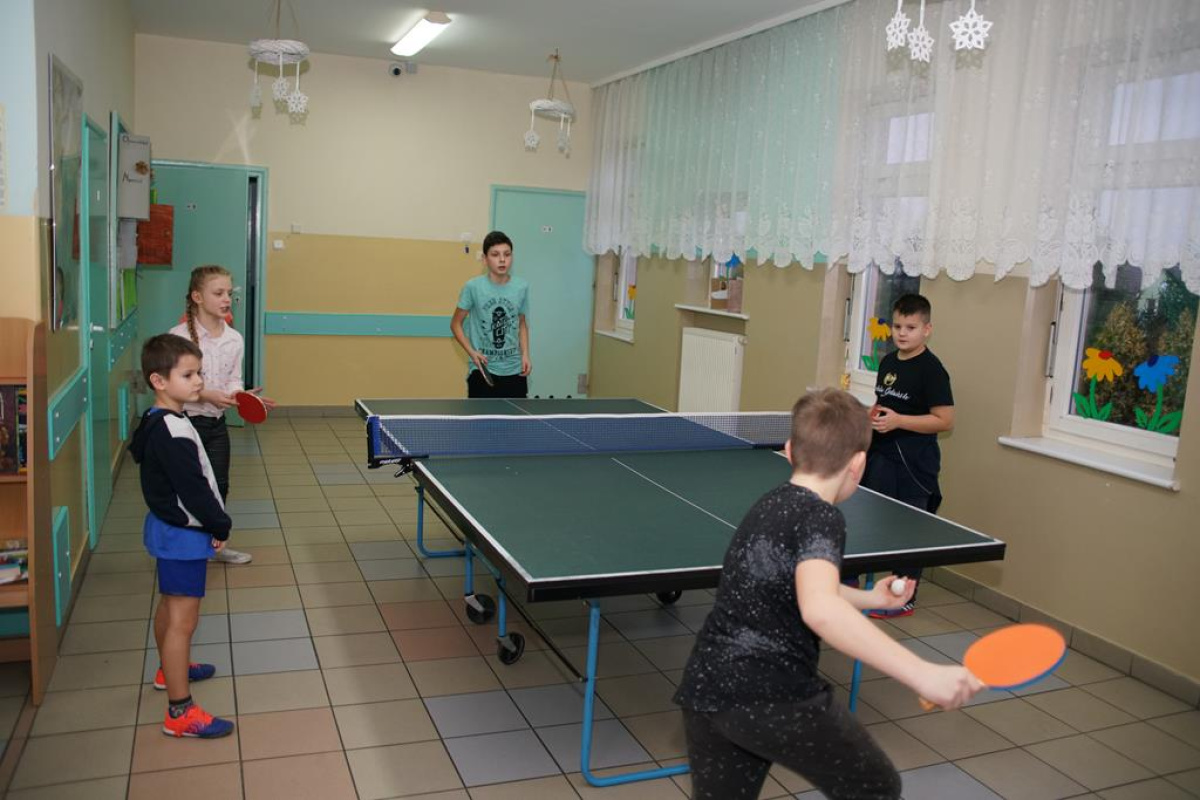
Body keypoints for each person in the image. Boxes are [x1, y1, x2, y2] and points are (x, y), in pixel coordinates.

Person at [673, 388, 981, 800]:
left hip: (708, 687)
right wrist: (922, 673)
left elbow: (798, 584)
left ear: (788, 450)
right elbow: (820, 608)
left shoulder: (769, 502)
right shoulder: (822, 516)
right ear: (858, 464)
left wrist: (872, 599)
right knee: (876, 787)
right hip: (772, 695)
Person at [130, 334, 236, 738]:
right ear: (158, 381)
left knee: (170, 607)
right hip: (183, 533)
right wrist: (219, 524)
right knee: (182, 621)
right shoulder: (173, 431)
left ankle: (168, 669)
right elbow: (194, 489)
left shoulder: (156, 418)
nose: (199, 381)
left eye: (199, 373)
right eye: (188, 375)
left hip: (167, 527)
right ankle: (180, 711)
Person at [169, 265, 274, 565]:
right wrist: (206, 395)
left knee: (219, 487)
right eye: (218, 293)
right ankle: (183, 546)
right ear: (197, 297)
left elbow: (233, 380)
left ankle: (213, 545)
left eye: (229, 292)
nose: (227, 298)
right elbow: (173, 386)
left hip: (216, 426)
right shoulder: (177, 338)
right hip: (183, 426)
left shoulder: (234, 339)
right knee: (186, 488)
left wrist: (240, 396)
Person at [862, 293, 954, 617]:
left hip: (915, 464)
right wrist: (871, 416)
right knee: (872, 522)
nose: (902, 333)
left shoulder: (933, 371)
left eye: (911, 327)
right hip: (881, 457)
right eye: (898, 326)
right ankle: (865, 584)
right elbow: (883, 402)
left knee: (909, 531)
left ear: (927, 330)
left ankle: (904, 597)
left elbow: (945, 420)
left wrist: (900, 421)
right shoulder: (888, 362)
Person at [450, 231, 531, 398]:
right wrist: (472, 352)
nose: (502, 259)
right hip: (482, 369)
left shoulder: (521, 287)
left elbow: (522, 323)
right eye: (495, 255)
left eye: (507, 254)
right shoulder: (472, 287)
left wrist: (525, 354)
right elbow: (455, 324)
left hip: (514, 370)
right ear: (485, 259)